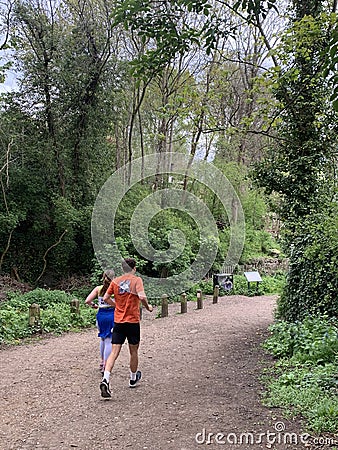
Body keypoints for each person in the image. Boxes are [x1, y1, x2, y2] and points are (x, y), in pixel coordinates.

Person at [99, 258, 153, 398]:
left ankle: (106, 378)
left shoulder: (115, 281)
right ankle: (133, 378)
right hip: (132, 321)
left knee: (114, 352)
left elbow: (105, 298)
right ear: (134, 268)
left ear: (123, 269)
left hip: (118, 321)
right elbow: (141, 297)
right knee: (133, 350)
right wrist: (148, 307)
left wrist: (116, 305)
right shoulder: (137, 280)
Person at [85, 269, 115, 374]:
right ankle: (106, 365)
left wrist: (94, 305)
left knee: (102, 339)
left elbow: (87, 300)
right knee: (109, 340)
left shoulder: (98, 289)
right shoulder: (115, 288)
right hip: (112, 315)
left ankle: (102, 361)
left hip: (101, 315)